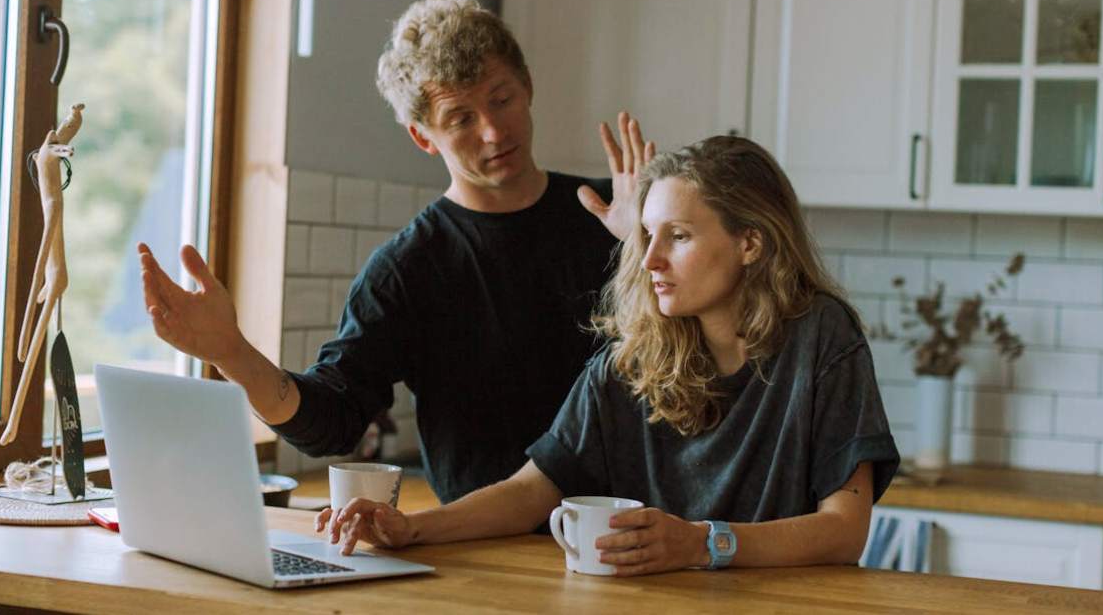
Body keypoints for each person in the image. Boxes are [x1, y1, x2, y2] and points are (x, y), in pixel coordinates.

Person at [136, 0, 653, 504]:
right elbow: (334, 424)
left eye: (501, 99)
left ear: (528, 87)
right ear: (423, 138)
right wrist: (232, 353)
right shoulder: (408, 269)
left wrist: (645, 246)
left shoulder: (615, 216)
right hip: (486, 551)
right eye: (461, 119)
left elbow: (708, 358)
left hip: (638, 532)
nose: (494, 131)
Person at [318, 136, 901, 576]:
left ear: (750, 242)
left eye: (678, 236)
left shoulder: (821, 335)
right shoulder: (634, 355)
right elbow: (532, 490)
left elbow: (843, 532)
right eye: (646, 236)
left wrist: (702, 542)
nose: (649, 261)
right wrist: (411, 529)